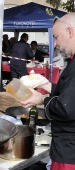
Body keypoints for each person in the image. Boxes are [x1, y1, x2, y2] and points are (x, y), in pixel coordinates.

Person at [19, 13, 75, 170]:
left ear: (70, 32)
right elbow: (68, 92)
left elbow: (65, 107)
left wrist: (41, 100)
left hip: (69, 152)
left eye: (56, 37)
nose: (55, 43)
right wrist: (45, 84)